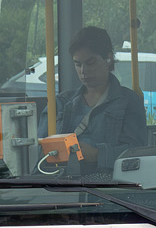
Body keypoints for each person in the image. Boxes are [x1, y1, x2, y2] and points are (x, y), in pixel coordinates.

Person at [52, 26, 148, 170]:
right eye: (78, 64)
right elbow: (40, 148)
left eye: (90, 63)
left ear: (108, 58)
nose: (83, 71)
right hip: (64, 182)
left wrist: (98, 155)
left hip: (107, 182)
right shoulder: (62, 101)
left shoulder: (128, 101)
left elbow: (137, 152)